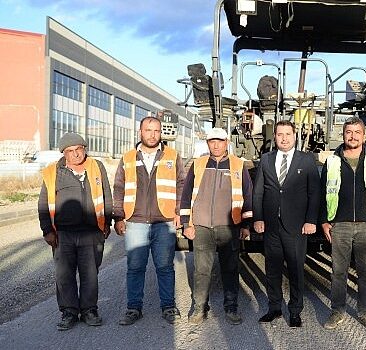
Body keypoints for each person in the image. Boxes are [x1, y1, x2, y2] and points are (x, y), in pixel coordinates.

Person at [319, 116, 366, 331]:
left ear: (364, 135)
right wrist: (323, 220)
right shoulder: (332, 161)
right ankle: (337, 310)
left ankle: (365, 312)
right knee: (338, 271)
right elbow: (323, 193)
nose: (352, 136)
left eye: (357, 132)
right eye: (348, 132)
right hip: (339, 225)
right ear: (343, 135)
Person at [113, 116, 185, 325]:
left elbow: (181, 184)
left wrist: (179, 212)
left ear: (160, 132)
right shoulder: (128, 158)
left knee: (164, 267)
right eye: (148, 130)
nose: (152, 135)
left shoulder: (172, 155)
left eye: (156, 131)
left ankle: (168, 307)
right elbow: (119, 188)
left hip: (164, 221)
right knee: (135, 267)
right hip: (135, 221)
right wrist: (118, 217)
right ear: (140, 132)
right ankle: (134, 308)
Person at [38, 132, 112, 331]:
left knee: (90, 274)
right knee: (64, 275)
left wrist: (108, 222)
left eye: (79, 149)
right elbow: (43, 203)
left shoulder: (96, 167)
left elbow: (106, 194)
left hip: (91, 232)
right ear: (64, 153)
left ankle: (89, 310)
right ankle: (69, 312)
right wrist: (47, 230)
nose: (76, 154)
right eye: (70, 151)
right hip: (63, 234)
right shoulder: (52, 172)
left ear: (84, 149)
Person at [180, 127, 253, 326]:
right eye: (212, 141)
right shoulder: (198, 164)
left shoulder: (238, 165)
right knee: (202, 270)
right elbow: (186, 195)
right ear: (207, 143)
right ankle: (199, 307)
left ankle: (231, 307)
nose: (216, 144)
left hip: (229, 226)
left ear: (226, 142)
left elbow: (247, 195)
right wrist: (187, 223)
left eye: (220, 141)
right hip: (202, 226)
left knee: (230, 269)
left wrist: (246, 225)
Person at [253, 120, 320, 328]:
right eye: (280, 134)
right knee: (272, 268)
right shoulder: (265, 160)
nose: (284, 138)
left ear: (295, 136)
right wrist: (258, 218)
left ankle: (295, 311)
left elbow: (314, 193)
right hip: (271, 225)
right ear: (275, 137)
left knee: (296, 269)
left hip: (297, 226)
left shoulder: (307, 160)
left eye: (288, 134)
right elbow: (258, 192)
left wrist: (311, 220)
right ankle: (274, 308)